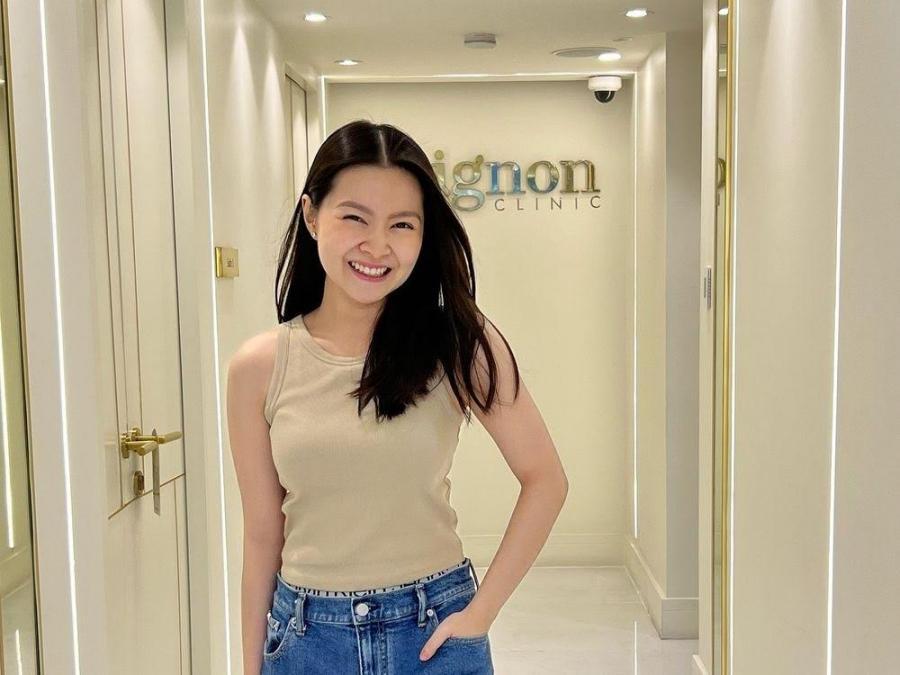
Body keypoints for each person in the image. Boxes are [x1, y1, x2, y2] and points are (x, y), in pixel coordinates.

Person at [226, 119, 569, 674]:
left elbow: (545, 478)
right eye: (354, 217)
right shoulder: (258, 368)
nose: (377, 245)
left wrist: (480, 614)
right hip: (307, 642)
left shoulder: (459, 342)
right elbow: (263, 535)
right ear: (312, 215)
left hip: (433, 634)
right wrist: (249, 667)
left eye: (402, 224)